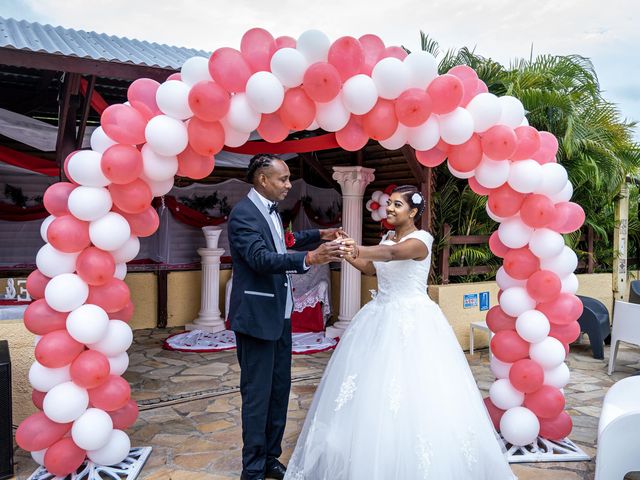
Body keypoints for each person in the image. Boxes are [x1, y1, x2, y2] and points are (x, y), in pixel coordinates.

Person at [284, 185, 516, 479]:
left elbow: (392, 254)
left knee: (417, 388)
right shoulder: (386, 237)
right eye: (389, 204)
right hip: (379, 316)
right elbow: (370, 267)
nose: (390, 209)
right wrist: (347, 254)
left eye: (397, 205)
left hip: (413, 321)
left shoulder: (421, 241)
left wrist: (356, 246)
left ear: (414, 211)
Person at [227, 154, 348, 480]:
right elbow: (261, 258)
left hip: (279, 316)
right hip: (256, 317)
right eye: (282, 179)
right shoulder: (243, 215)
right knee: (257, 396)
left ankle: (270, 459)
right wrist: (309, 257)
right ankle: (252, 470)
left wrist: (318, 235)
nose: (288, 185)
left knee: (279, 391)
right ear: (263, 180)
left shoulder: (271, 212)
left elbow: (284, 242)